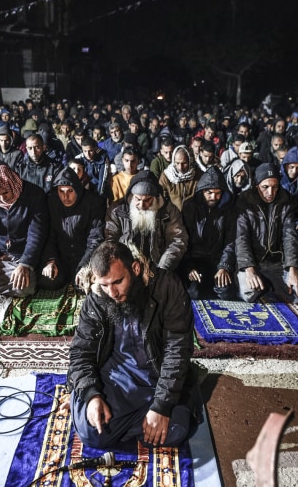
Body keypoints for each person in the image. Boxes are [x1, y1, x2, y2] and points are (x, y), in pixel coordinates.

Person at [67, 241, 195, 449]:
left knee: (176, 431)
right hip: (116, 379)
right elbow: (81, 352)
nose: (112, 293)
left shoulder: (168, 287)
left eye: (118, 281)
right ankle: (90, 405)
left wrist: (161, 407)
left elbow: (177, 350)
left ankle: (134, 422)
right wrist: (91, 395)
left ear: (135, 269)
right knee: (92, 434)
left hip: (156, 377)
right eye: (104, 284)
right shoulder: (97, 298)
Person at [236, 163, 298, 303]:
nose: (271, 192)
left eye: (275, 187)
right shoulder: (244, 200)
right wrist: (249, 269)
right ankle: (268, 286)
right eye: (265, 187)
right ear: (257, 185)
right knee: (249, 293)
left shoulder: (286, 200)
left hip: (277, 263)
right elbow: (242, 238)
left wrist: (293, 269)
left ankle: (271, 286)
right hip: (253, 262)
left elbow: (290, 237)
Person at [0, 165, 48, 297]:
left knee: (24, 289)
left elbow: (36, 234)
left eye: (6, 193)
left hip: (22, 256)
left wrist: (25, 264)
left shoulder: (34, 194)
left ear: (13, 185)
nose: (2, 198)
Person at [105, 170, 188, 272]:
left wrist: (161, 269)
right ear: (132, 195)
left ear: (155, 198)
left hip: (159, 265)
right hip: (126, 267)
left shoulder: (169, 211)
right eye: (137, 199)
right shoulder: (117, 210)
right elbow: (111, 242)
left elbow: (177, 240)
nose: (141, 205)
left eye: (147, 200)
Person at [39, 168, 105, 290]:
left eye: (70, 191)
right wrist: (51, 261)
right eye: (61, 191)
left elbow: (95, 238)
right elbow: (49, 235)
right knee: (48, 281)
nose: (66, 197)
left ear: (77, 189)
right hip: (61, 257)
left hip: (83, 255)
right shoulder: (52, 202)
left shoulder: (92, 202)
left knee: (85, 284)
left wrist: (85, 266)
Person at [179, 167, 237, 300]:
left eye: (218, 193)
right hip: (195, 260)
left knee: (226, 293)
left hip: (218, 260)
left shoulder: (228, 209)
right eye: (209, 193)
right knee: (195, 292)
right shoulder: (190, 206)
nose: (214, 197)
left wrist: (224, 266)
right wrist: (189, 267)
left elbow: (231, 241)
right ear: (202, 191)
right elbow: (184, 240)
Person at [158, 145, 201, 211]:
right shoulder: (166, 176)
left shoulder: (198, 175)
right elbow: (162, 199)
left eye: (184, 163)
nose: (180, 167)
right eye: (177, 163)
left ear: (190, 161)